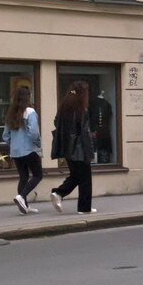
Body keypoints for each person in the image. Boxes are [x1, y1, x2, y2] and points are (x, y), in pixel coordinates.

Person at [50, 81, 96, 214]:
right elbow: (85, 132)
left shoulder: (64, 108)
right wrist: (90, 151)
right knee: (85, 178)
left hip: (67, 148)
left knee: (76, 175)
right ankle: (83, 207)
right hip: (80, 148)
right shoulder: (82, 109)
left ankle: (59, 193)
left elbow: (56, 123)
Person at [1, 85, 42, 215]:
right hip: (29, 149)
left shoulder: (11, 113)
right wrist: (37, 143)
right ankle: (22, 196)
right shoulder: (30, 112)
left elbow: (5, 135)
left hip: (16, 151)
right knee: (37, 175)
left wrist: (13, 144)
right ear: (27, 97)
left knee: (23, 177)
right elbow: (34, 133)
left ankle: (24, 207)